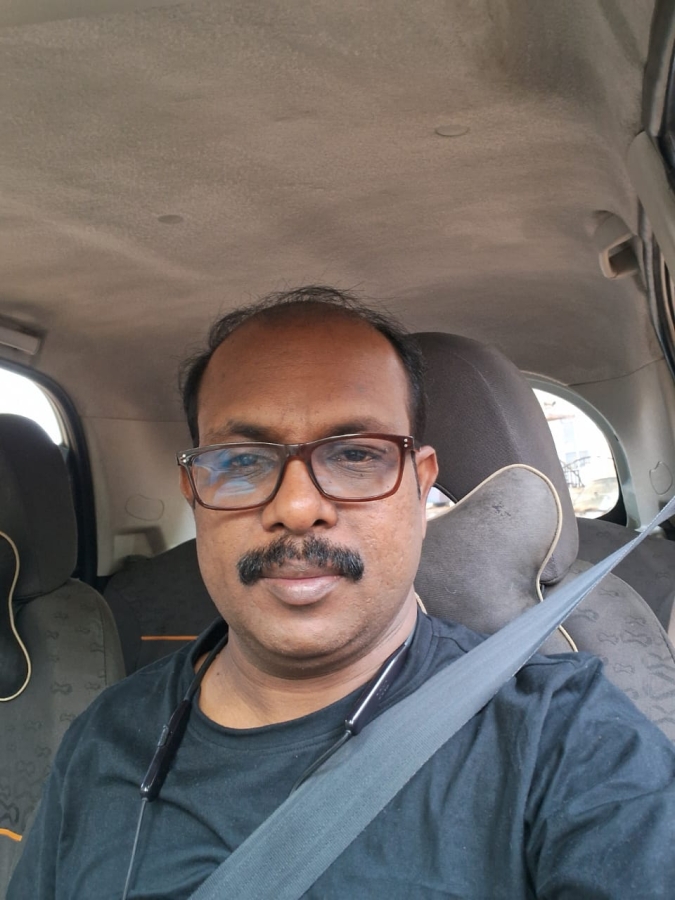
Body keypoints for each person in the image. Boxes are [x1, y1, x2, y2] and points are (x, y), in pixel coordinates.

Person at [9, 286, 675, 899]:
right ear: (195, 493)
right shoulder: (106, 736)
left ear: (420, 486)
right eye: (242, 461)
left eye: (355, 454)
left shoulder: (566, 736)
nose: (298, 508)